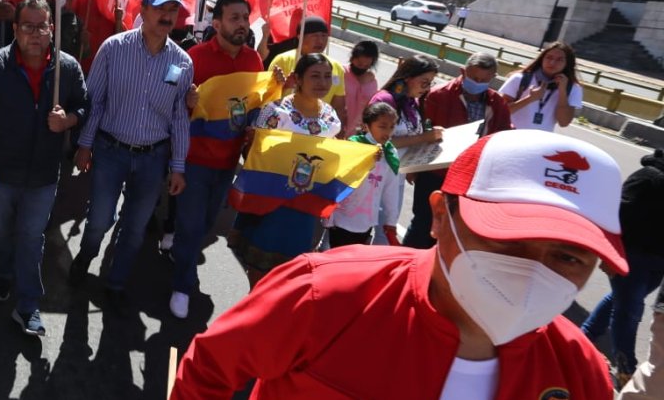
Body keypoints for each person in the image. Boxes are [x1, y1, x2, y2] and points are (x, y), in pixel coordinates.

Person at [171, 130, 628, 399]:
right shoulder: (325, 295)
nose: (532, 273)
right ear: (438, 217)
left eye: (567, 257)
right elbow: (210, 369)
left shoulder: (580, 374)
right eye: (506, 238)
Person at [70, 0, 192, 316]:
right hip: (111, 150)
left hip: (154, 158)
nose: (167, 16)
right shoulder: (113, 48)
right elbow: (95, 101)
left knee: (136, 228)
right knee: (99, 219)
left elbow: (180, 117)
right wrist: (85, 145)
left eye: (173, 10)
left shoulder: (182, 63)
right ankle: (86, 255)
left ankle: (115, 282)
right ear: (144, 9)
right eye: (160, 8)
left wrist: (178, 166)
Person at [0, 0, 87, 336]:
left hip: (44, 176)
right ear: (16, 29)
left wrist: (69, 122)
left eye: (42, 27)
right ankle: (3, 272)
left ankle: (28, 306)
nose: (35, 34)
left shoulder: (67, 68)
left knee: (32, 238)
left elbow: (86, 107)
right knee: (3, 232)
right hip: (1, 172)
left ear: (52, 29)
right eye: (28, 27)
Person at [169, 0, 262, 320]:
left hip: (227, 163)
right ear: (217, 23)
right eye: (234, 18)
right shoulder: (192, 57)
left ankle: (181, 250)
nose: (242, 25)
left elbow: (255, 106)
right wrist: (189, 101)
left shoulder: (254, 62)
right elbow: (169, 102)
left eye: (245, 18)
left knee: (206, 224)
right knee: (192, 225)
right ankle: (181, 283)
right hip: (194, 160)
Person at [230, 53, 342, 282]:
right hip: (272, 199)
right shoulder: (276, 112)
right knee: (260, 267)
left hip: (305, 203)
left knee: (291, 271)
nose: (322, 83)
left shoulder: (330, 117)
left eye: (327, 77)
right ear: (298, 79)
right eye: (315, 76)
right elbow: (254, 155)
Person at [404, 52, 514, 248]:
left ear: (493, 78)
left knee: (454, 229)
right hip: (435, 171)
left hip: (472, 176)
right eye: (473, 78)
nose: (478, 83)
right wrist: (414, 167)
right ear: (463, 72)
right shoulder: (439, 95)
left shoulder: (497, 103)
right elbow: (422, 130)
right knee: (423, 223)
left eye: (483, 80)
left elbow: (504, 134)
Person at [582, 149, 664, 387]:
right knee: (629, 311)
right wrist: (608, 253)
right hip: (631, 256)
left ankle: (584, 336)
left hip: (657, 261)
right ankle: (626, 367)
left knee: (620, 300)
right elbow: (618, 213)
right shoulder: (648, 176)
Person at [327, 101, 401, 247]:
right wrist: (366, 158)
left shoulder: (390, 153)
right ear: (366, 126)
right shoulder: (353, 146)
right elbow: (339, 179)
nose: (387, 132)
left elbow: (391, 191)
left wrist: (391, 222)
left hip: (366, 222)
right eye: (382, 126)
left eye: (392, 127)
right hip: (343, 218)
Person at [269, 16, 347, 135]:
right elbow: (267, 96)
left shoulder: (336, 67)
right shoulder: (282, 61)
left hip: (320, 133)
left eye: (324, 36)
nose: (320, 41)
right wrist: (284, 87)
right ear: (300, 36)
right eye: (315, 36)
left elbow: (339, 106)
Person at [499, 41, 583, 132]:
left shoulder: (573, 88)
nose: (552, 62)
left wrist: (562, 91)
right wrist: (530, 99)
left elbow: (563, 122)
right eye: (549, 57)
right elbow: (501, 112)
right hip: (510, 136)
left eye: (559, 60)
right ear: (542, 59)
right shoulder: (520, 78)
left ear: (567, 63)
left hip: (540, 142)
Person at [342, 39, 379, 135]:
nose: (361, 67)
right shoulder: (342, 72)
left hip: (357, 131)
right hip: (338, 125)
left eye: (366, 65)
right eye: (359, 63)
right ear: (352, 58)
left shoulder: (372, 81)